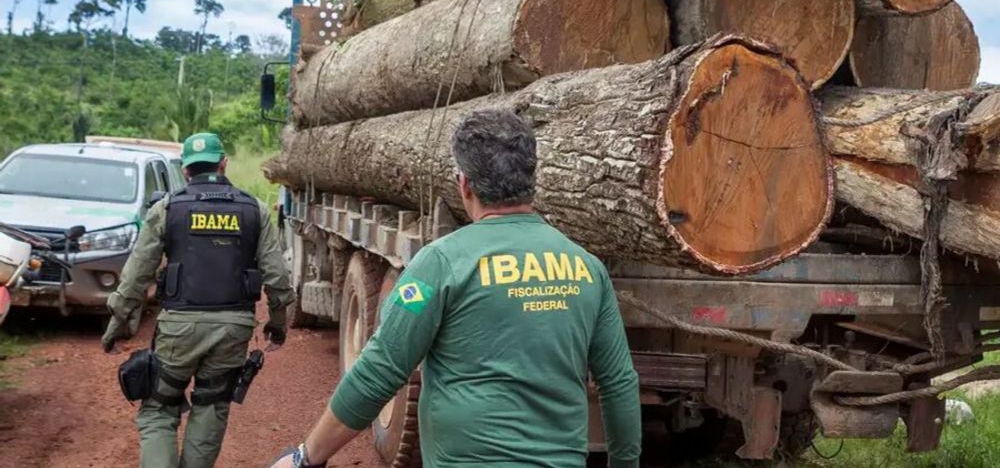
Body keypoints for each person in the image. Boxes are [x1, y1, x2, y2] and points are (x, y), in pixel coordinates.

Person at [269, 109, 641, 468]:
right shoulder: (587, 269)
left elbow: (380, 370)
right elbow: (618, 382)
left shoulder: (440, 264)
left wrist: (306, 456)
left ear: (464, 184)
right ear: (532, 178)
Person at [102, 132, 294, 468]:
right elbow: (277, 278)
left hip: (179, 328)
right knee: (211, 404)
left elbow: (136, 277)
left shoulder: (167, 209)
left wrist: (117, 326)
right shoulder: (255, 210)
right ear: (224, 164)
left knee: (159, 407)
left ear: (186, 171)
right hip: (233, 329)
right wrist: (277, 324)